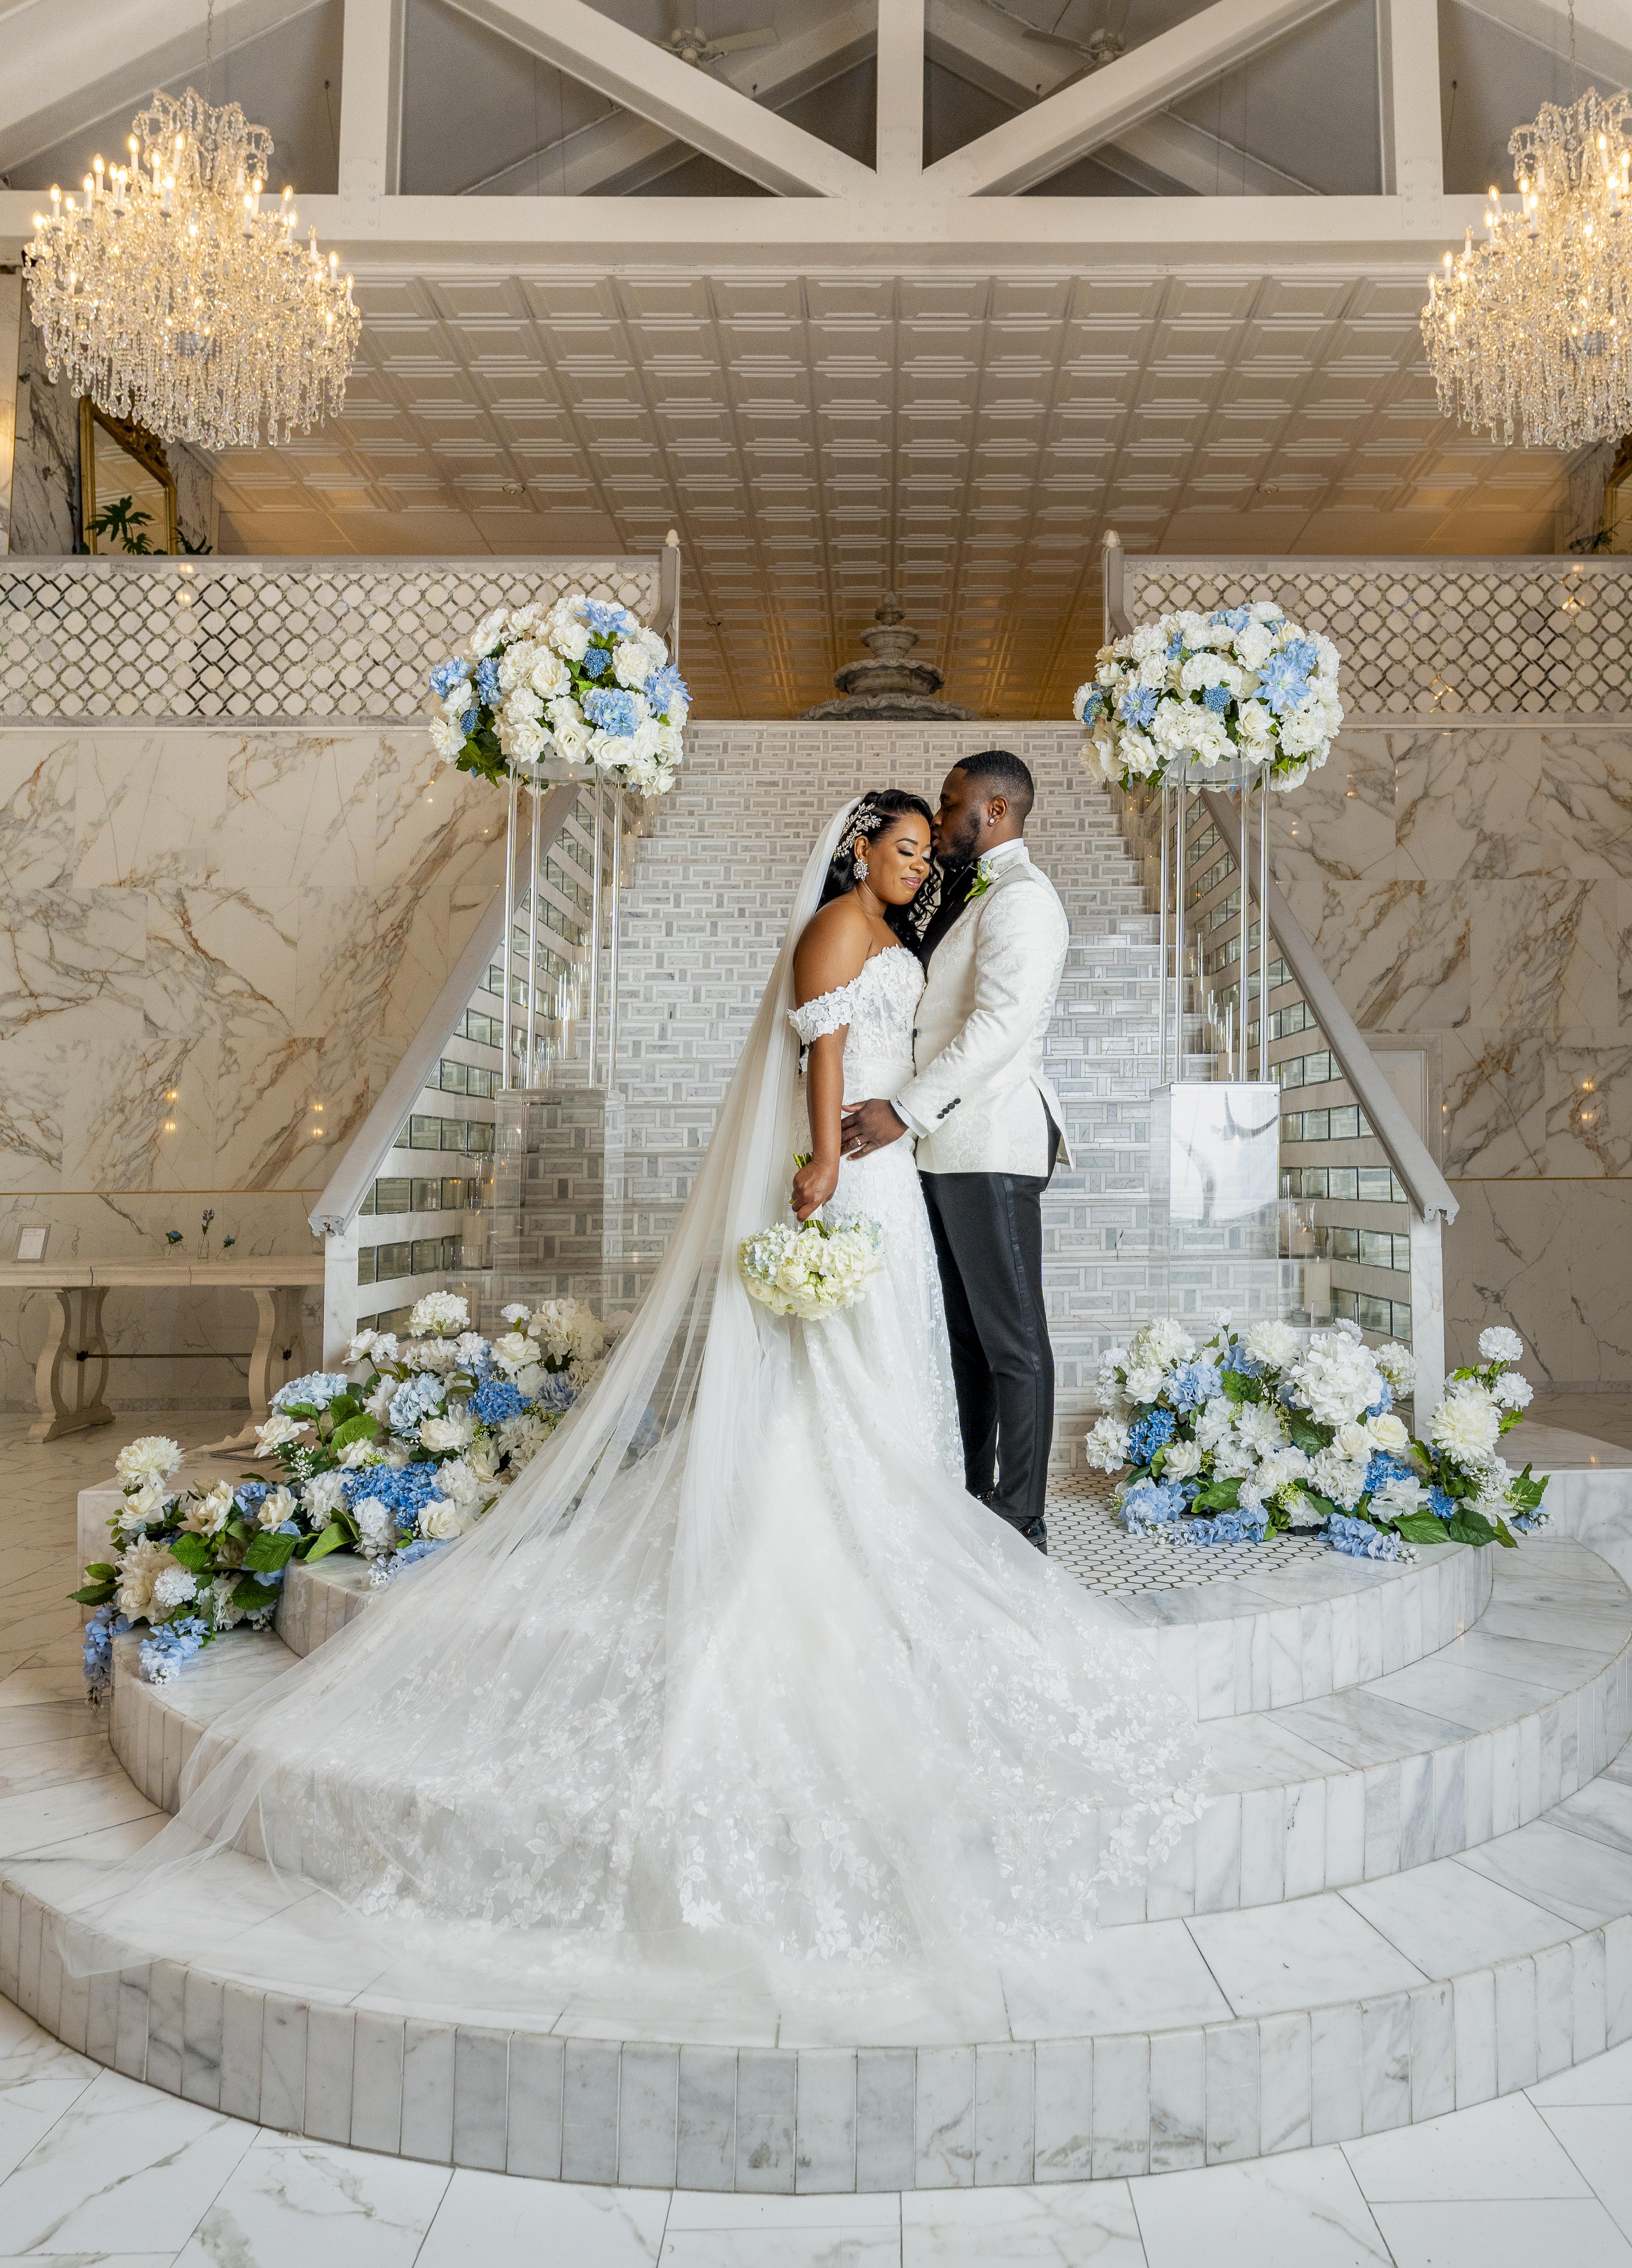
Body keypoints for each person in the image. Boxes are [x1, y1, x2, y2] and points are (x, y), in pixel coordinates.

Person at [64, 787, 1201, 2039]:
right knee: (830, 1372)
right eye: (901, 847)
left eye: (926, 851)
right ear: (855, 849)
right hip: (853, 1170)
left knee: (892, 1365)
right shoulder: (836, 927)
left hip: (895, 1176)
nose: (916, 864)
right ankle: (813, 1526)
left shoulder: (897, 931)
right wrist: (822, 1162)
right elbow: (820, 1053)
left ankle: (881, 1506)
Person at [840, 752, 1068, 1553]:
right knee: (965, 1338)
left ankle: (1021, 1517)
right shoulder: (974, 893)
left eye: (950, 803)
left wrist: (904, 1109)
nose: (939, 819)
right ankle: (972, 1496)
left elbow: (1000, 1025)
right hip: (948, 1148)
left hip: (990, 1140)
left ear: (995, 809)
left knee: (1013, 1339)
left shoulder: (1024, 898)